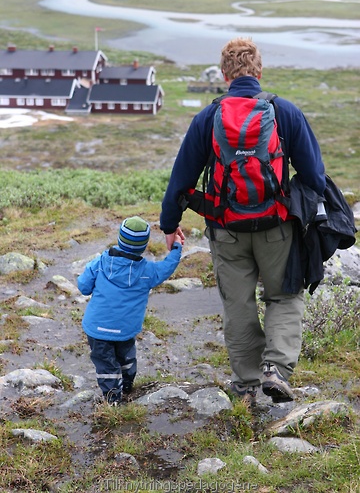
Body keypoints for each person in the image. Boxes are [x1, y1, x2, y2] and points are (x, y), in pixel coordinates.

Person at [160, 37, 326, 405]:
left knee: (238, 304)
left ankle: (247, 385)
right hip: (276, 229)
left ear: (224, 75)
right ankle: (277, 371)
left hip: (227, 231)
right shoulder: (285, 112)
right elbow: (315, 176)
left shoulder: (208, 117)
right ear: (260, 70)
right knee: (284, 297)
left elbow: (181, 179)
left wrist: (169, 225)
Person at [78, 216, 183, 405]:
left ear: (120, 238)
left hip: (97, 329)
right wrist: (177, 247)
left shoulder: (100, 262)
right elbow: (167, 267)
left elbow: (83, 287)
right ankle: (126, 386)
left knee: (105, 363)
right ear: (144, 245)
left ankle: (112, 400)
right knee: (126, 358)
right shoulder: (148, 272)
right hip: (125, 330)